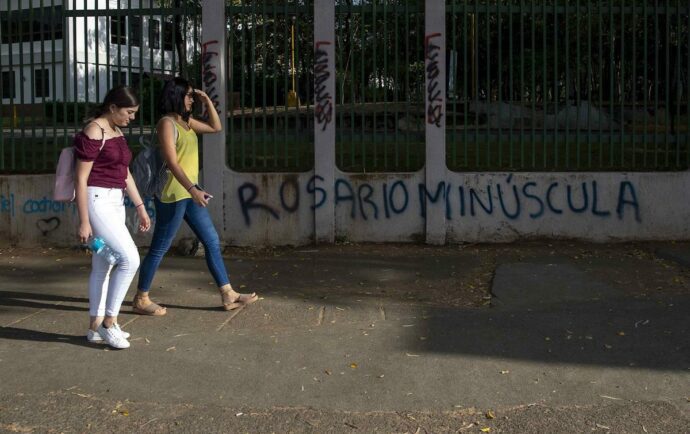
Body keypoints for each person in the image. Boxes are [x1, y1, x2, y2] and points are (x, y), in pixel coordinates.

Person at [133, 77, 257, 315]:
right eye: (189, 95)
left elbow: (215, 127)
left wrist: (207, 100)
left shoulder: (186, 122)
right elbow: (171, 161)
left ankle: (228, 294)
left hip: (191, 192)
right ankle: (141, 298)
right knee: (160, 247)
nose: (191, 99)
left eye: (192, 95)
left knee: (211, 241)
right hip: (173, 194)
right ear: (176, 96)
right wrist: (192, 189)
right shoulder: (167, 124)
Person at [75, 85, 151, 349]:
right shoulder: (94, 130)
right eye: (129, 112)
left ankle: (94, 328)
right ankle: (110, 322)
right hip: (98, 200)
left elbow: (125, 172)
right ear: (113, 108)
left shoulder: (116, 131)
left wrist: (140, 206)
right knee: (129, 259)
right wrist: (84, 220)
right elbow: (81, 178)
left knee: (103, 267)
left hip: (116, 201)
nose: (132, 117)